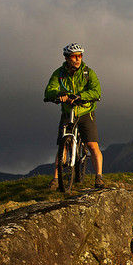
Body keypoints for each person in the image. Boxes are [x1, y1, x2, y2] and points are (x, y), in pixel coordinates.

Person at [44, 43, 104, 189]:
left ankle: (99, 177)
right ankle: (56, 179)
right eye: (74, 56)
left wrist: (80, 96)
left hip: (85, 111)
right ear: (66, 58)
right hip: (67, 112)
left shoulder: (88, 73)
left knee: (92, 145)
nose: (77, 59)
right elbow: (49, 91)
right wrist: (58, 95)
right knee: (62, 147)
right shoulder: (59, 74)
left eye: (80, 56)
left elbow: (96, 92)